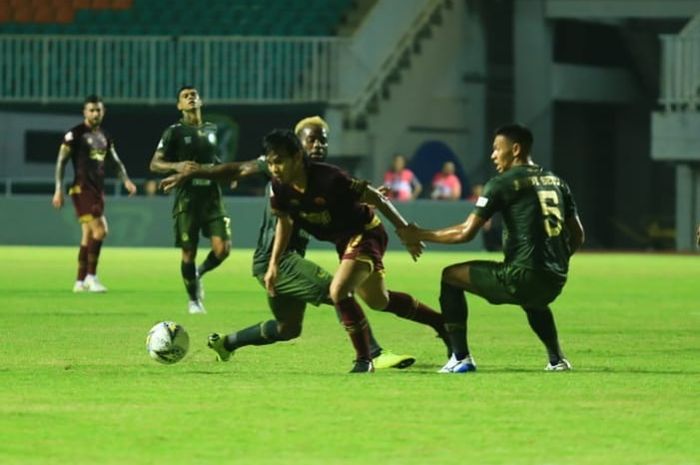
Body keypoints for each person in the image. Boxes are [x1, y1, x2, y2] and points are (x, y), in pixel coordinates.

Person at [160, 116, 415, 370]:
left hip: (282, 261)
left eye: (322, 141)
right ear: (296, 146)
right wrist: (195, 172)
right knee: (337, 291)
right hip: (277, 259)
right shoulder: (276, 165)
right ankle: (374, 353)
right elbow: (238, 169)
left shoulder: (321, 178)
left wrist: (362, 204)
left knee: (288, 329)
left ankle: (226, 344)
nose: (317, 146)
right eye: (311, 140)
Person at [398, 124, 585, 373]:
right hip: (555, 278)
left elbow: (466, 233)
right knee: (534, 300)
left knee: (450, 277)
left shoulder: (503, 183)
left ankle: (461, 357)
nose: (493, 155)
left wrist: (420, 234)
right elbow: (578, 235)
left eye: (497, 149)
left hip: (520, 276)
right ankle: (557, 359)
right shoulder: (557, 182)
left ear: (515, 149)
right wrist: (555, 263)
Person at [262, 128, 449, 373]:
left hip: (366, 233)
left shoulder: (330, 178)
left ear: (297, 156)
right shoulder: (279, 188)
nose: (274, 169)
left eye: (279, 162)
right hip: (345, 242)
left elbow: (378, 199)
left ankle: (364, 360)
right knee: (379, 301)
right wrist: (274, 264)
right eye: (270, 163)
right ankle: (441, 323)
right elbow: (284, 223)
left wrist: (405, 232)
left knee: (338, 291)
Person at [149, 85, 231, 314]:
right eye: (186, 96)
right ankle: (194, 300)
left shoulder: (212, 129)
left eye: (194, 95)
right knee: (189, 252)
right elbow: (154, 164)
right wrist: (176, 165)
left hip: (213, 197)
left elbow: (213, 158)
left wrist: (227, 172)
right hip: (187, 199)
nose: (191, 98)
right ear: (179, 105)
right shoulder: (174, 132)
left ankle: (198, 272)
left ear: (200, 101)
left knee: (223, 249)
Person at [51, 94, 137, 293]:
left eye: (98, 110)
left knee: (88, 234)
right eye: (91, 110)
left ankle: (79, 281)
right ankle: (92, 277)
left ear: (103, 111)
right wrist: (58, 189)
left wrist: (126, 180)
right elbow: (61, 162)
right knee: (101, 230)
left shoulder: (104, 136)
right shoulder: (76, 134)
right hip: (82, 189)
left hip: (97, 190)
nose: (95, 113)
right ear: (84, 112)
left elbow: (115, 162)